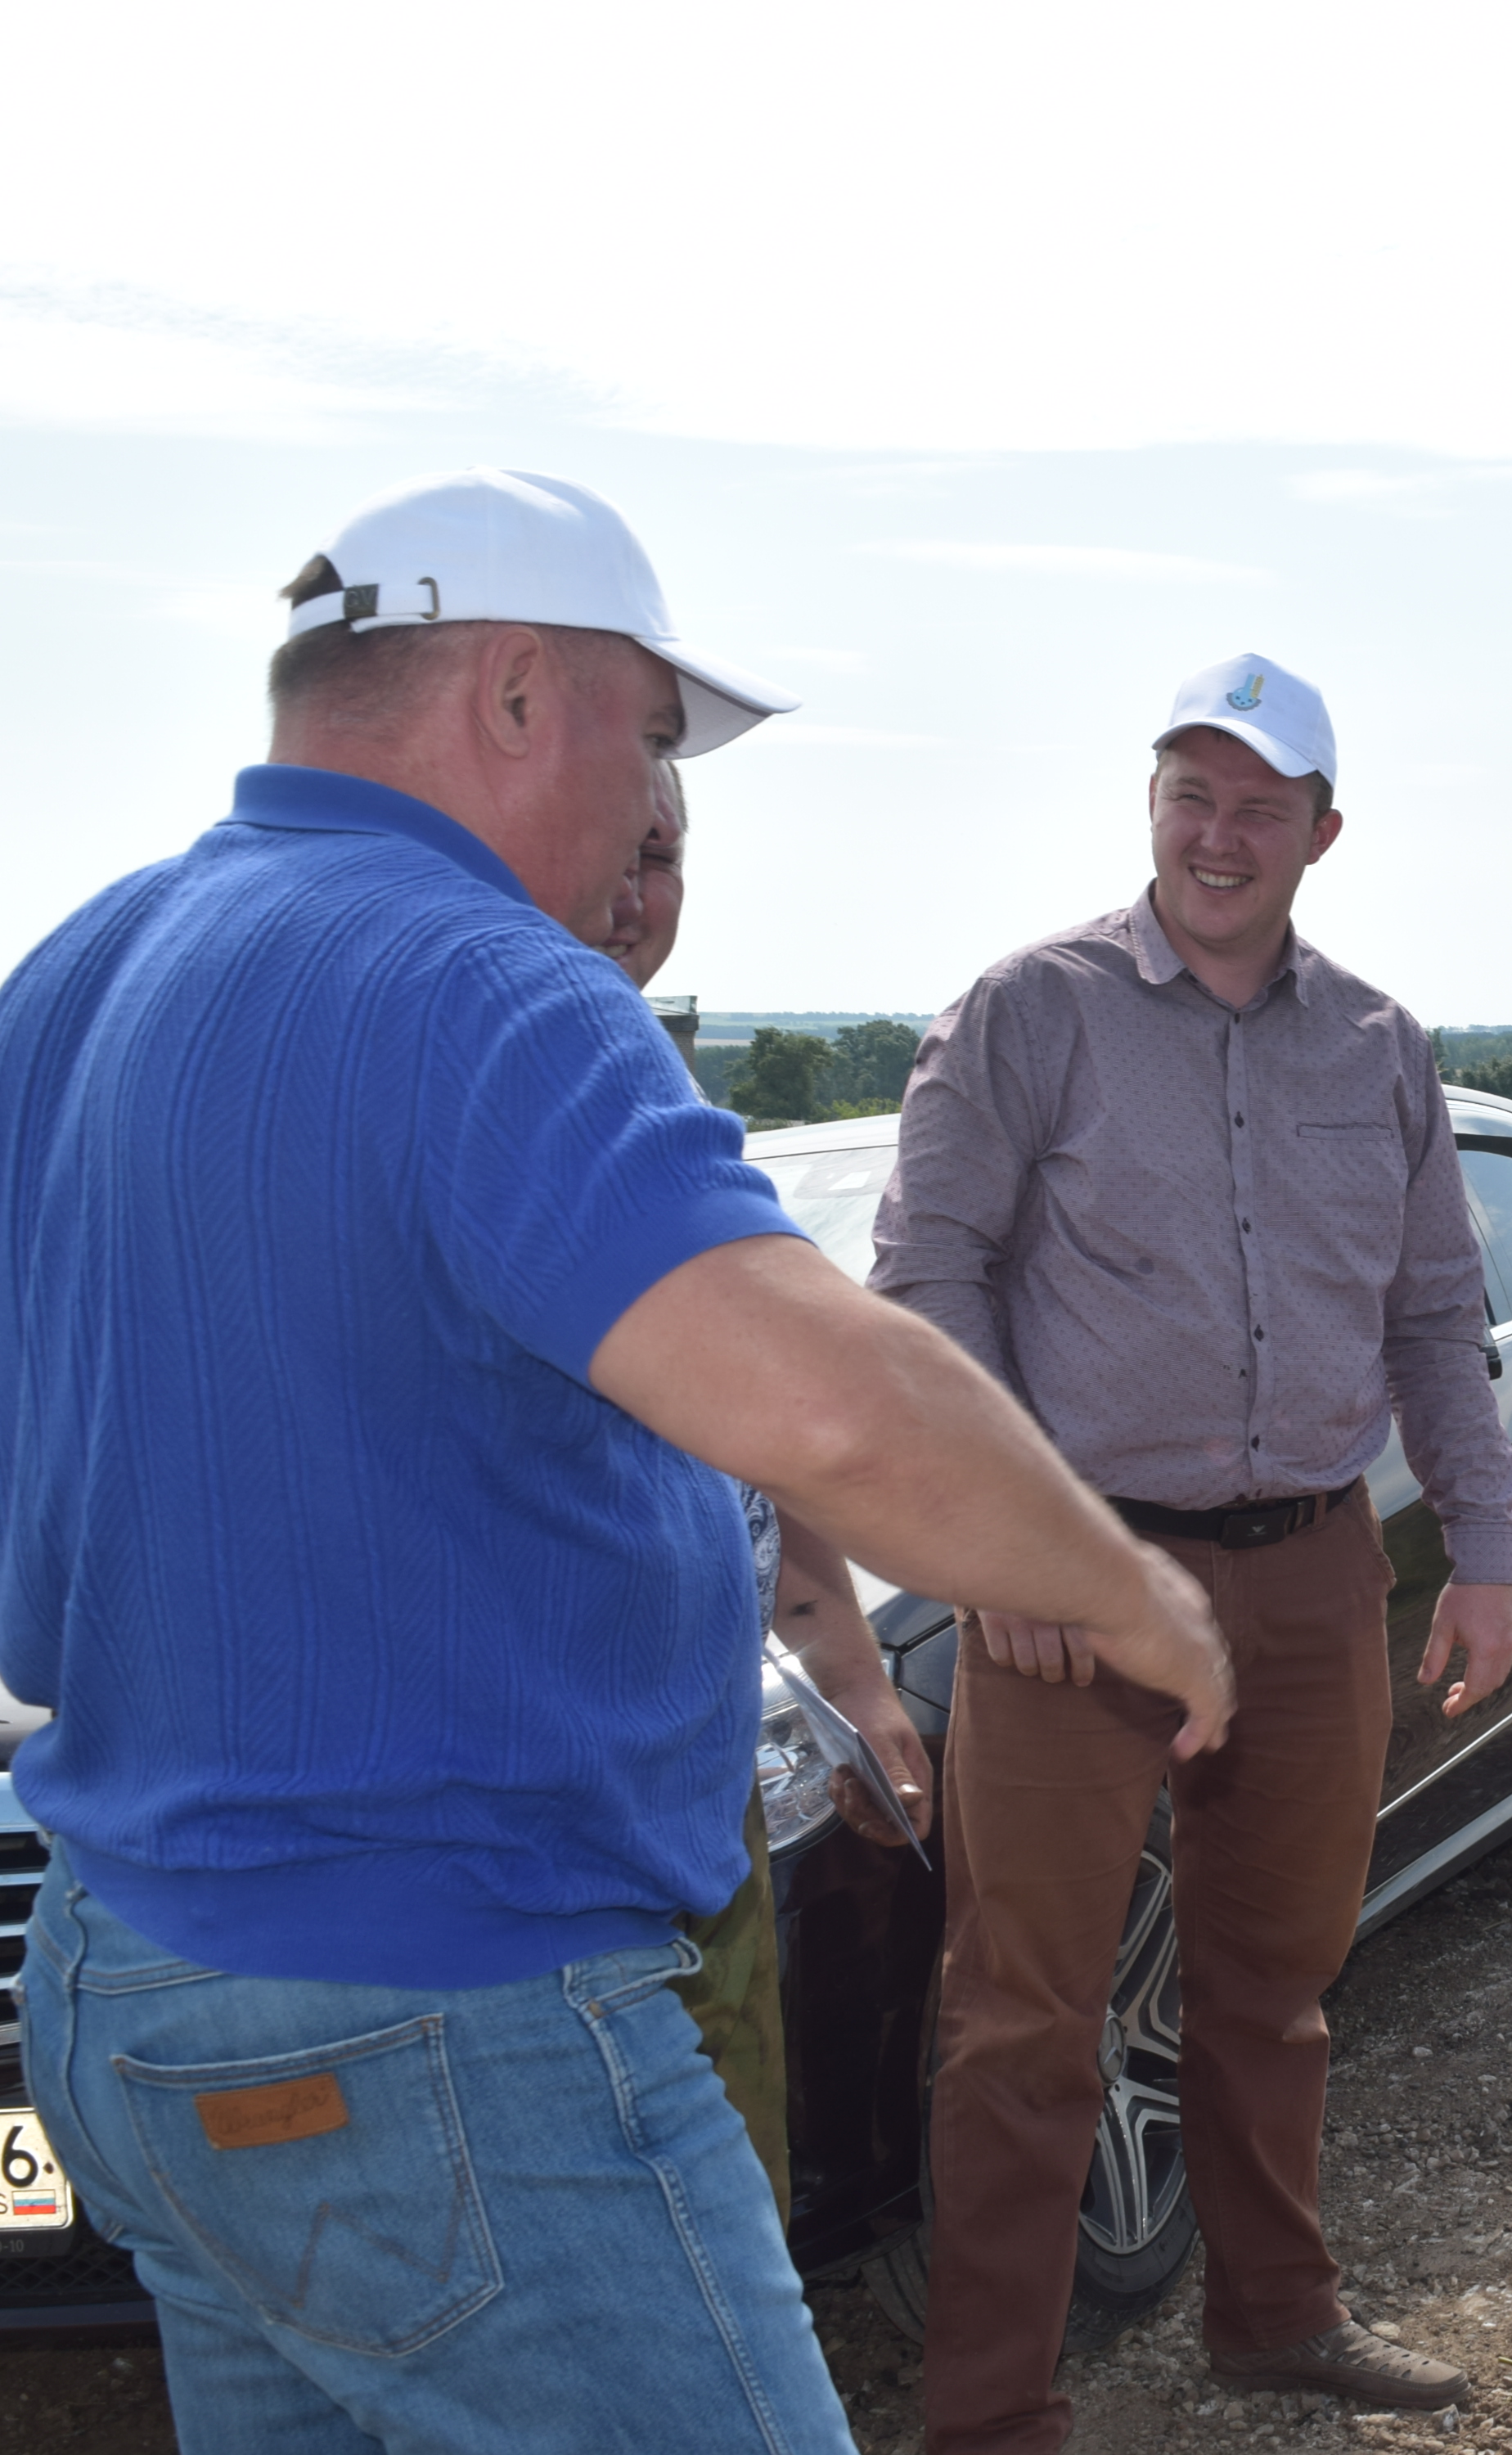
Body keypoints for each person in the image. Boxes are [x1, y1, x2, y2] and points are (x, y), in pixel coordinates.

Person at [0, 467, 1230, 2455]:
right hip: (435, 2012)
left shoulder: (80, 973)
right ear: (510, 695)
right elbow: (830, 1402)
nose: (655, 797)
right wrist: (1132, 1588)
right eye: (647, 732)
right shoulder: (477, 978)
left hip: (126, 1980)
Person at [871, 653, 1512, 2449]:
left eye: (1256, 806)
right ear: (1149, 807)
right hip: (1076, 1581)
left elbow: (1434, 1313)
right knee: (1024, 2018)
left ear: (1323, 833)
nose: (1217, 835)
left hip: (1311, 1571)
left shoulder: (1379, 1046)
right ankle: (989, 2416)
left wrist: (1481, 1548)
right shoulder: (1030, 1013)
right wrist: (1003, 1548)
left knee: (1279, 1985)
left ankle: (1277, 2319)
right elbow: (926, 1283)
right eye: (1189, 795)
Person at [602, 759, 942, 2221]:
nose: (634, 896)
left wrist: (855, 1684)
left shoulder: (663, 1092)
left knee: (731, 2183)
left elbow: (771, 1436)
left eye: (662, 857)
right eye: (609, 847)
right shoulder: (477, 1093)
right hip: (561, 1817)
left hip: (706, 1769)